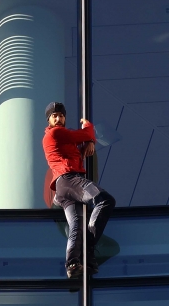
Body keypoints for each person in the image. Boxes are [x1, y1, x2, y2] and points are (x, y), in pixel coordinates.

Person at [42, 102, 116, 278]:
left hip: (63, 188)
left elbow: (82, 141)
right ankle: (88, 249)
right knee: (105, 200)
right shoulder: (56, 133)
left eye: (61, 115)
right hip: (69, 179)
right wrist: (89, 129)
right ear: (49, 120)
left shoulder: (63, 138)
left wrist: (89, 141)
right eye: (54, 116)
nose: (58, 119)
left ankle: (73, 264)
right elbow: (85, 133)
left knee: (77, 226)